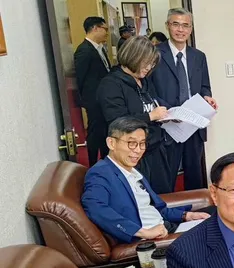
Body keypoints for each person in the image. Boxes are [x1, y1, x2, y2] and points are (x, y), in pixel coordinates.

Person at [81, 117, 210, 243]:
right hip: (154, 238)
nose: (138, 150)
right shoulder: (100, 173)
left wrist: (186, 215)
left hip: (166, 226)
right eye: (131, 143)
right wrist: (142, 232)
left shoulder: (131, 170)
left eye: (142, 144)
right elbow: (95, 208)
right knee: (215, 230)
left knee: (214, 212)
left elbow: (156, 208)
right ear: (111, 143)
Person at [150, 8, 217, 191]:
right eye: (176, 24)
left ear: (191, 28)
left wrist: (207, 97)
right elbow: (149, 89)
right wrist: (171, 112)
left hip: (193, 124)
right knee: (166, 178)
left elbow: (205, 86)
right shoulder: (155, 54)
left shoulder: (199, 56)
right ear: (167, 26)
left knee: (195, 175)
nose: (181, 30)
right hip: (167, 124)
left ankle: (197, 208)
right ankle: (166, 209)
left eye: (185, 25)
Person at [97, 36, 173, 194]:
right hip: (133, 155)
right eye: (146, 63)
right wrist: (150, 116)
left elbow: (153, 102)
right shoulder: (111, 84)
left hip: (155, 150)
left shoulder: (143, 80)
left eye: (152, 64)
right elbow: (117, 121)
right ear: (133, 57)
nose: (149, 68)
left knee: (164, 196)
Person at [74, 16, 111, 165]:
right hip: (93, 101)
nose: (107, 32)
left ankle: (105, 162)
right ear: (95, 28)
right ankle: (93, 164)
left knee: (104, 132)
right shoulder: (84, 50)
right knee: (95, 134)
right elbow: (80, 78)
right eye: (105, 29)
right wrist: (87, 101)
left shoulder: (99, 48)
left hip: (103, 99)